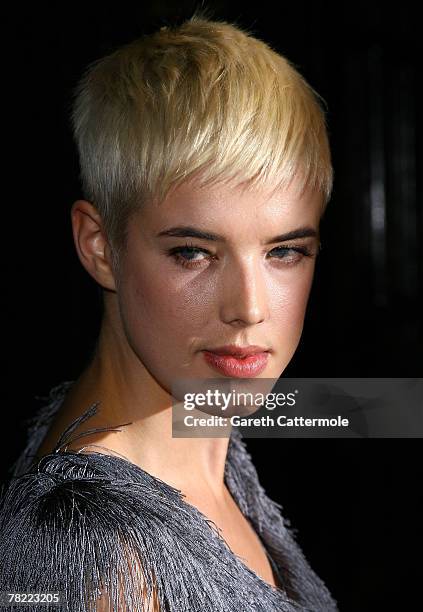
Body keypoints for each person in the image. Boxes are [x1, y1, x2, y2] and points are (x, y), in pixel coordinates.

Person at [0, 13, 338, 612]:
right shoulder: (104, 555)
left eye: (284, 251)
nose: (250, 309)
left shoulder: (203, 427)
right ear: (100, 246)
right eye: (193, 252)